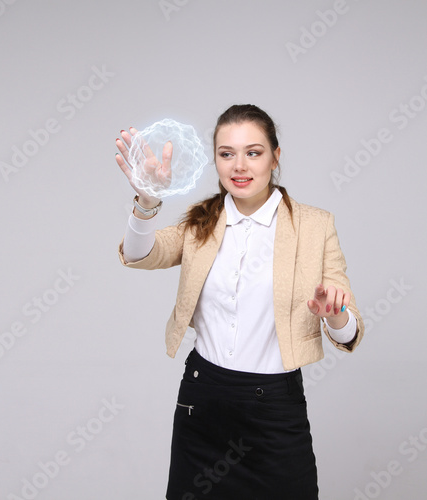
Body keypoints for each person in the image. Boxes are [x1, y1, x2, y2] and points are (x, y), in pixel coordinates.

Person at [115, 104, 364, 500]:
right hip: (203, 399)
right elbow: (140, 254)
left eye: (253, 152)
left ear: (275, 157)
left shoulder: (315, 225)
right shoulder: (199, 222)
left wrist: (335, 314)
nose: (239, 165)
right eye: (226, 154)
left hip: (276, 409)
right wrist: (147, 202)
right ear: (215, 159)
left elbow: (351, 332)